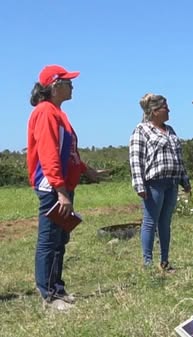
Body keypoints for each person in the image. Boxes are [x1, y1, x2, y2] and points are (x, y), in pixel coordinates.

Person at [27, 64, 102, 311]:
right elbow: (49, 153)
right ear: (55, 86)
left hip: (62, 186)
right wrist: (60, 191)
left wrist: (86, 170)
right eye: (68, 82)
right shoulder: (45, 112)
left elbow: (68, 152)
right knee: (49, 239)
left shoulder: (58, 113)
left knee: (60, 239)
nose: (72, 86)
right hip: (52, 187)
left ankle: (57, 289)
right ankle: (48, 295)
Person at [129, 93, 192, 272]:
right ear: (155, 111)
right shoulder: (141, 130)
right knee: (150, 222)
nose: (169, 110)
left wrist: (184, 180)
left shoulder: (170, 130)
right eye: (165, 107)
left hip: (171, 183)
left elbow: (178, 158)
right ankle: (147, 264)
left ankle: (165, 262)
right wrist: (139, 185)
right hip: (153, 184)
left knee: (165, 222)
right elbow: (136, 160)